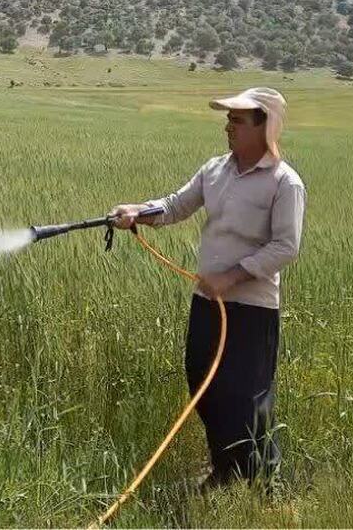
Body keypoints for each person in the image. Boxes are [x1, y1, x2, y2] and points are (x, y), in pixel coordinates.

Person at [111, 86, 305, 489]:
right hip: (207, 303)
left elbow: (286, 246)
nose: (228, 126)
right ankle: (226, 470)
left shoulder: (285, 183)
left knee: (247, 398)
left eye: (237, 120)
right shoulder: (215, 170)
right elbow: (176, 204)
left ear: (264, 127)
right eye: (228, 119)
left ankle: (263, 483)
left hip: (252, 310)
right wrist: (137, 212)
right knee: (203, 383)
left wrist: (232, 276)